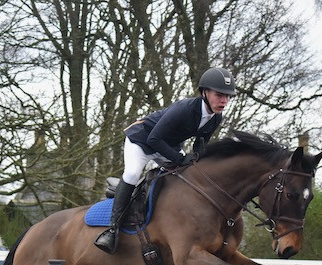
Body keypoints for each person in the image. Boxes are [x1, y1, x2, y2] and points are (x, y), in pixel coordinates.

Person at [94, 67, 236, 254]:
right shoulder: (184, 109)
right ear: (205, 92)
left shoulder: (215, 118)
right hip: (142, 141)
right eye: (220, 95)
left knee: (184, 178)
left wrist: (199, 162)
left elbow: (201, 142)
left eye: (228, 96)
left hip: (167, 146)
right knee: (132, 173)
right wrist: (179, 158)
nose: (224, 101)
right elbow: (153, 139)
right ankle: (112, 230)